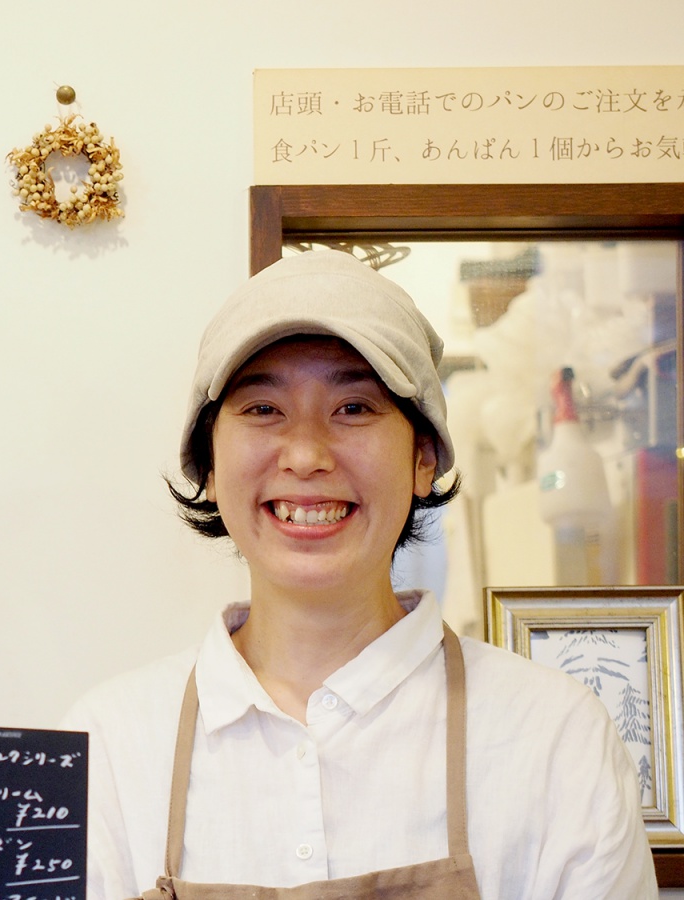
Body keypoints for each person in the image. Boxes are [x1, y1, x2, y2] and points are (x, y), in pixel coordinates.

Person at [62, 250, 656, 899]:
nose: (308, 454)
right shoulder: (107, 747)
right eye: (263, 408)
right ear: (206, 459)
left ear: (423, 457)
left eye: (354, 408)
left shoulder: (552, 738)